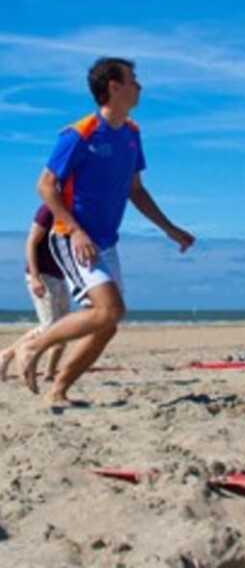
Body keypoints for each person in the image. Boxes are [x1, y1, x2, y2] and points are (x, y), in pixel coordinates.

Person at [14, 56, 195, 406]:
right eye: (133, 80)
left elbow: (136, 190)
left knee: (108, 323)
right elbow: (45, 186)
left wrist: (169, 229)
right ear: (114, 87)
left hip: (105, 242)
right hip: (71, 237)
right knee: (109, 310)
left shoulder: (132, 133)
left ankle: (59, 390)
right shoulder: (78, 134)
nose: (139, 86)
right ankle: (33, 345)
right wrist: (77, 230)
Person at [0, 205, 71, 382]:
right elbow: (31, 242)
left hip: (61, 276)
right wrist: (35, 277)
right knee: (50, 327)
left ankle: (49, 373)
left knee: (65, 327)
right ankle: (7, 354)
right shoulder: (48, 210)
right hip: (42, 274)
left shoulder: (76, 212)